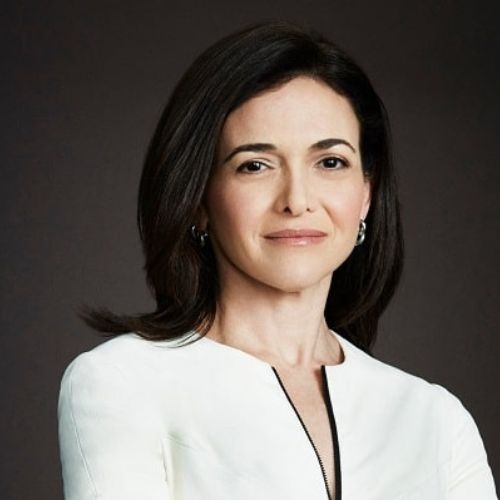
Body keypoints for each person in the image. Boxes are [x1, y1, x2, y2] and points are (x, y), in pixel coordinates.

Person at [57, 22, 497, 500]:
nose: (297, 200)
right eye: (255, 165)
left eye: (330, 162)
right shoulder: (121, 383)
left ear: (366, 194)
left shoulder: (436, 420)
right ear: (199, 198)